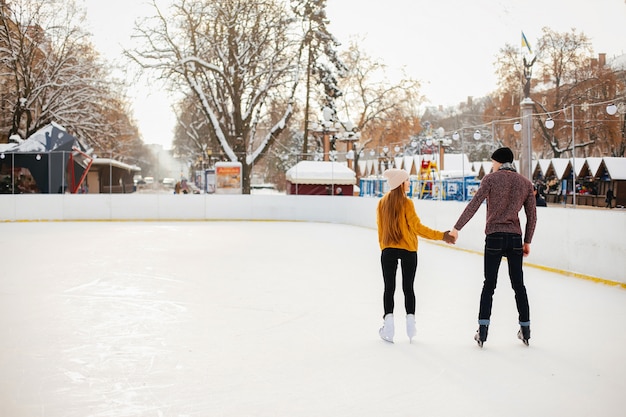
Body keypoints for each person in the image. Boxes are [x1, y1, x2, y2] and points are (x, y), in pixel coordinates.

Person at [449, 147, 537, 347]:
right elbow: (532, 215)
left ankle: (483, 330)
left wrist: (456, 228)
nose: (492, 165)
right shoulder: (525, 183)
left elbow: (473, 204)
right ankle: (526, 329)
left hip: (494, 237)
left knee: (489, 285)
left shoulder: (490, 179)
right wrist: (527, 241)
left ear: (498, 162)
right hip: (515, 238)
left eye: (493, 162)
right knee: (518, 285)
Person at [376, 168, 456, 343]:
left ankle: (388, 326)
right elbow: (418, 228)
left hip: (388, 250)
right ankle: (410, 324)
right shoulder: (407, 203)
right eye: (407, 180)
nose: (409, 183)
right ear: (400, 183)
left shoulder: (381, 203)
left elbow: (380, 231)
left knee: (389, 288)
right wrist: (442, 235)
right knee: (408, 288)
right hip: (409, 251)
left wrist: (385, 248)